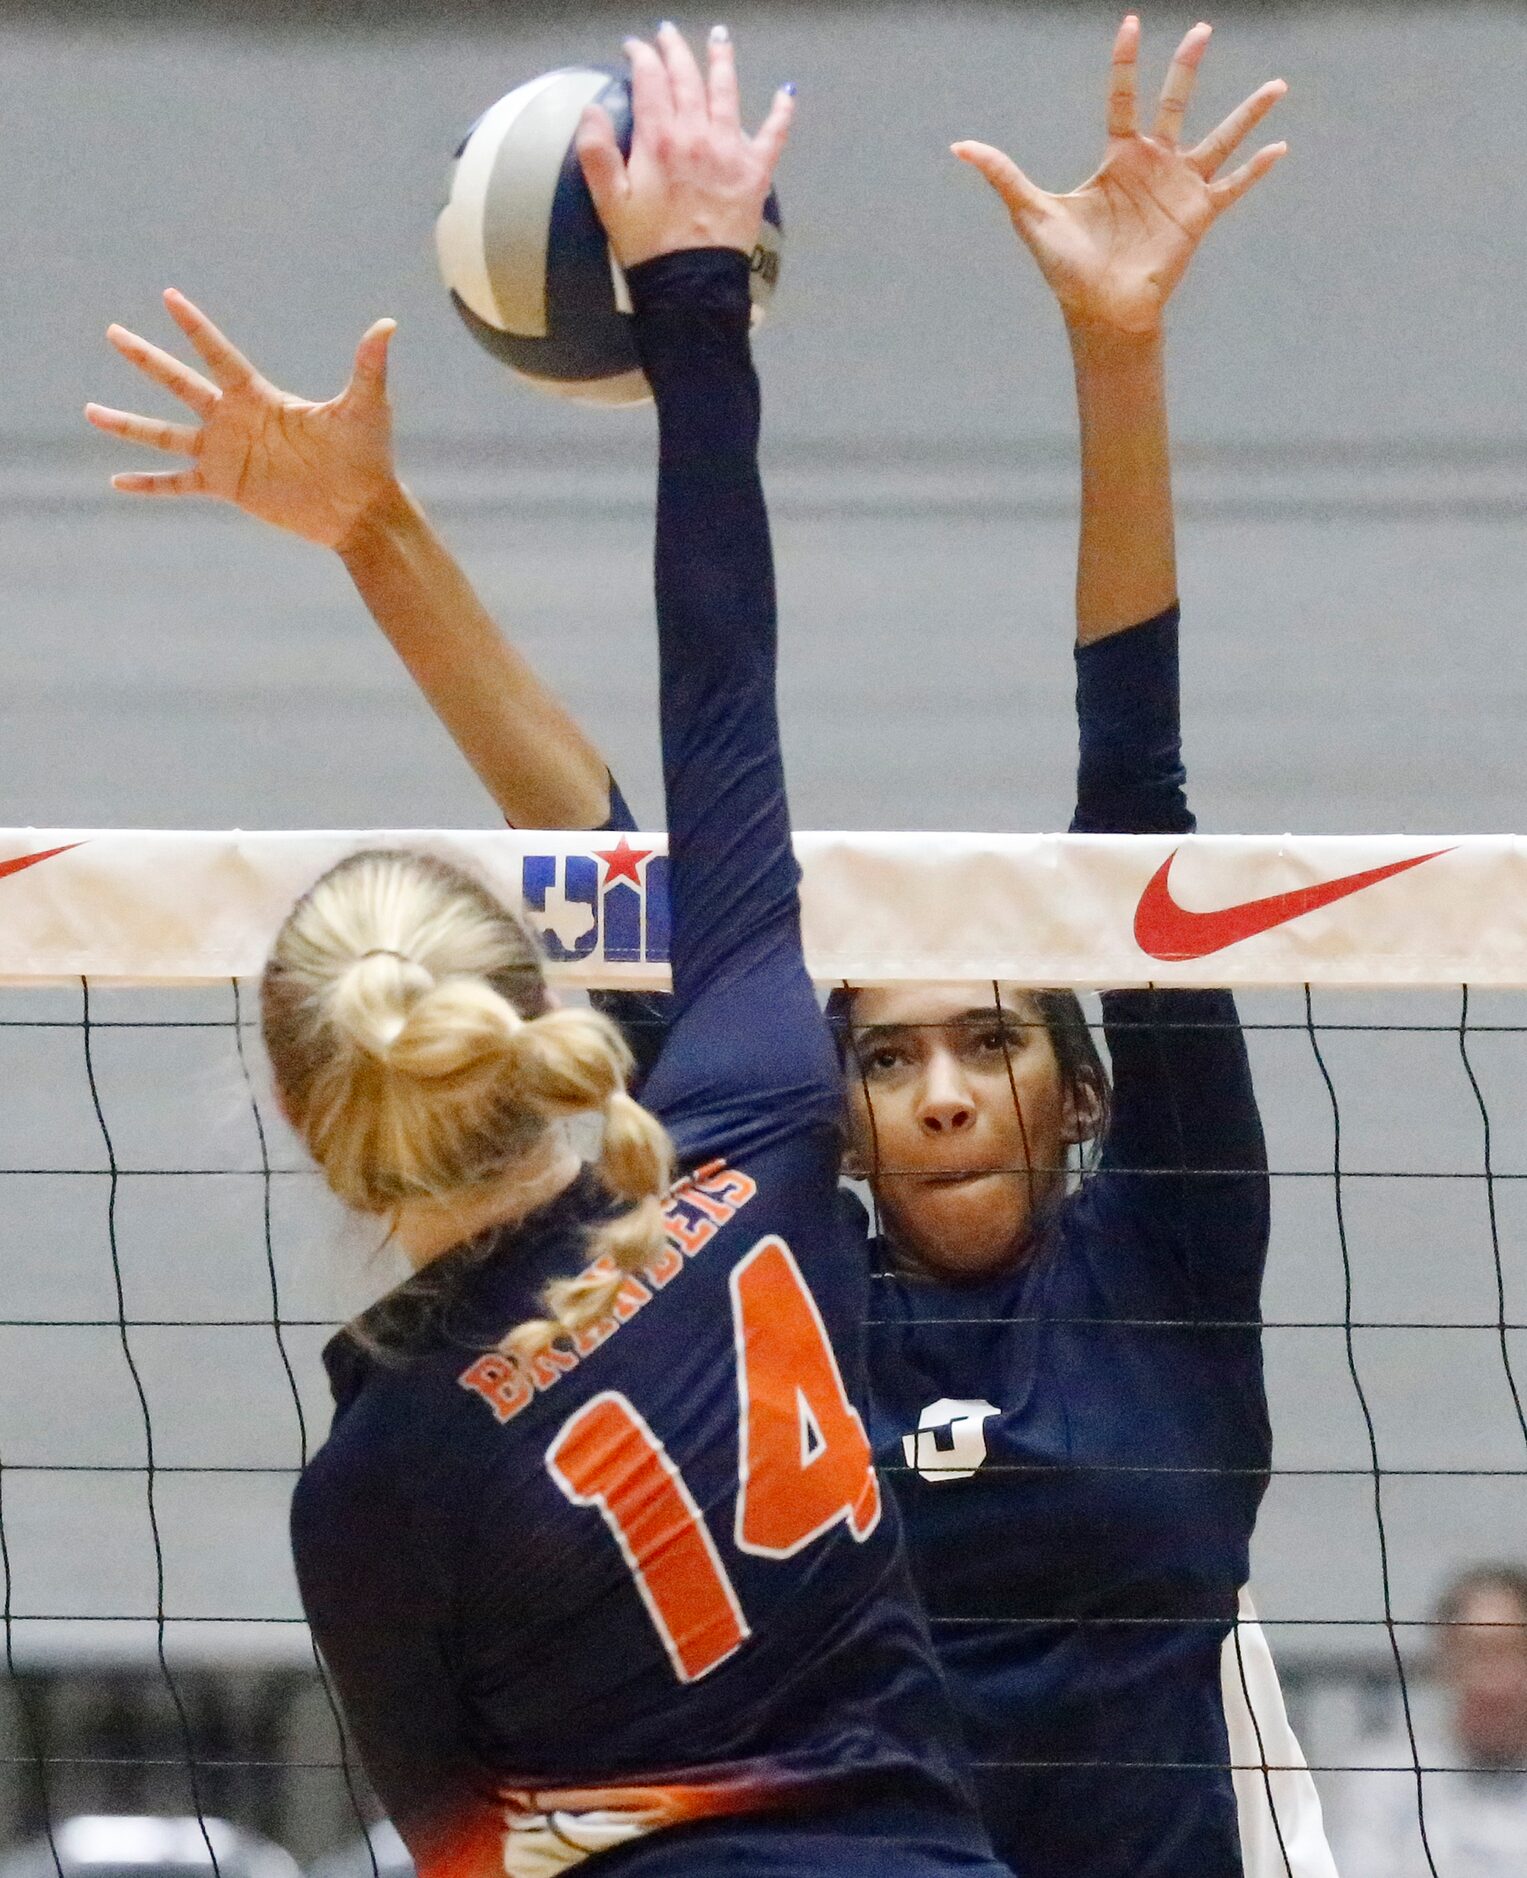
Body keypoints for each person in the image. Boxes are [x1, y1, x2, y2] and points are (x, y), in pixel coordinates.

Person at [88, 15, 1325, 1875]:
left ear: (1080, 1083)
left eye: (985, 1039)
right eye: (886, 1053)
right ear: (831, 1100)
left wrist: (1117, 347)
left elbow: (1130, 801)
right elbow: (619, 843)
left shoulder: (1161, 1252)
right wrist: (378, 533)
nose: (934, 1089)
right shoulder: (759, 1252)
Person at [235, 30, 1012, 1878]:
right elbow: (718, 690)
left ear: (311, 1122)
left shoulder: (380, 1484)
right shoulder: (753, 1115)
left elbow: (467, 1858)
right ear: (543, 1005)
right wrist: (689, 294)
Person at [1334, 1563, 1527, 1876]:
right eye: (1475, 1653)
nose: (1493, 1680)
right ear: (1444, 1662)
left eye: (1509, 1653)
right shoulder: (1383, 1777)